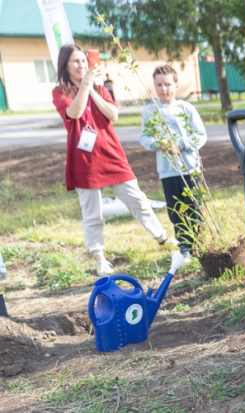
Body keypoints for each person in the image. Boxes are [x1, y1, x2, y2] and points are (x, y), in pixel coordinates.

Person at [51, 44, 177, 276]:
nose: (81, 65)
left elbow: (114, 114)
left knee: (136, 198)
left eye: (83, 60)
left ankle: (162, 238)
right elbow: (75, 113)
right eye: (75, 62)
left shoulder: (99, 87)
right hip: (83, 159)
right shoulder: (60, 92)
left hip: (110, 152)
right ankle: (99, 257)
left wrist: (91, 90)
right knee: (92, 211)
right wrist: (85, 86)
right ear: (65, 66)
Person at [139, 65, 207, 262]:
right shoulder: (151, 111)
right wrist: (158, 144)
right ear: (154, 86)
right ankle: (184, 244)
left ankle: (199, 243)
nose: (164, 89)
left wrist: (182, 144)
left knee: (193, 206)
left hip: (190, 167)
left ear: (176, 85)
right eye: (159, 85)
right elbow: (144, 137)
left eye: (168, 84)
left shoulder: (186, 109)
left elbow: (201, 135)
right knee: (176, 209)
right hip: (168, 171)